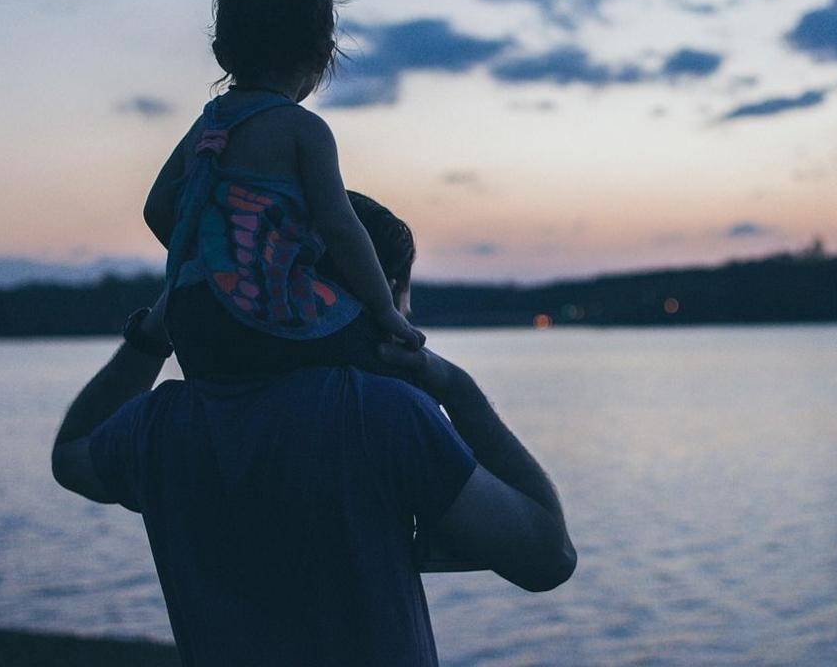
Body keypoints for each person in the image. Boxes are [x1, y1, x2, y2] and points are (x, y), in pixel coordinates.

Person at [51, 194, 576, 666]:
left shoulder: (162, 425)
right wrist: (454, 388)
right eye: (405, 302)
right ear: (383, 294)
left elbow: (72, 455)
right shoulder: (383, 415)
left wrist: (154, 332)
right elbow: (548, 558)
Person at [144, 0, 423, 386]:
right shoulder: (303, 130)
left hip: (192, 321)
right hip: (267, 314)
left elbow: (156, 211)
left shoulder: (206, 126)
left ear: (221, 53)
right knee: (388, 364)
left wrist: (215, 259)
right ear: (322, 55)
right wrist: (384, 310)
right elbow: (341, 227)